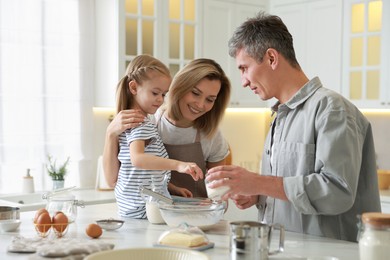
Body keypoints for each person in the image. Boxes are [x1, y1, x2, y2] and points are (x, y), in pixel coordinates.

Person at [205, 11, 381, 242]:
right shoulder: (279, 116)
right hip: (285, 248)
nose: (244, 81)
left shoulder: (332, 109)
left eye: (244, 68)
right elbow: (289, 188)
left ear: (271, 58)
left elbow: (337, 192)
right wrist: (259, 194)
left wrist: (258, 182)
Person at [103, 58, 231, 199]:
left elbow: (219, 194)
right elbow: (112, 181)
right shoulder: (148, 121)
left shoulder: (212, 136)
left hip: (195, 218)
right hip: (148, 218)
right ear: (180, 87)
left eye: (210, 100)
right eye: (195, 93)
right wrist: (110, 134)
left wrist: (216, 203)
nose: (200, 105)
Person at [111, 54, 203, 218]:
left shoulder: (130, 121)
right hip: (143, 208)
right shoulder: (141, 123)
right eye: (155, 93)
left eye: (164, 94)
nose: (160, 100)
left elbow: (141, 173)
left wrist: (171, 188)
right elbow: (138, 159)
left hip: (133, 207)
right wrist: (179, 165)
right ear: (133, 88)